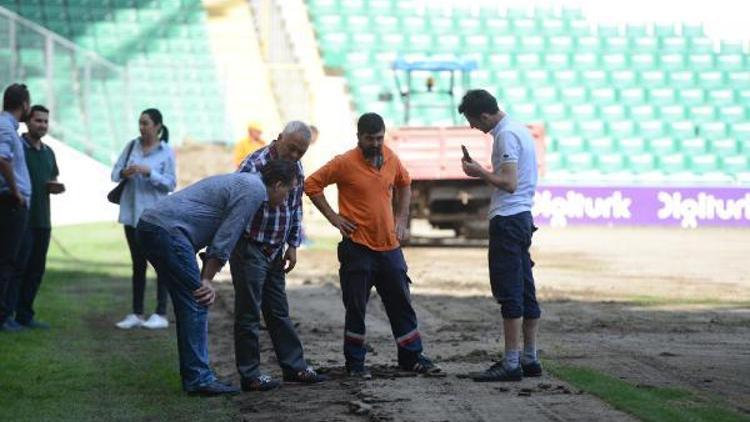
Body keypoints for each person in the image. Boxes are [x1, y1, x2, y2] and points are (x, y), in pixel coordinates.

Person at [136, 159, 299, 396]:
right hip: (167, 231)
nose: (287, 199)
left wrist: (205, 276)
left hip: (154, 227)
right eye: (288, 191)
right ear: (276, 184)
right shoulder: (254, 191)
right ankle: (199, 379)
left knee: (189, 302)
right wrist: (207, 280)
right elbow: (226, 236)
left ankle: (195, 375)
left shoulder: (247, 183)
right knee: (197, 300)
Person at [304, 112, 440, 379]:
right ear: (359, 138)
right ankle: (355, 364)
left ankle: (411, 357)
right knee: (356, 307)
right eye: (370, 139)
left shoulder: (391, 158)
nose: (376, 144)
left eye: (379, 138)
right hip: (357, 248)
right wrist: (334, 218)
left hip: (390, 248)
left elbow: (405, 183)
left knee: (401, 303)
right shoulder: (344, 162)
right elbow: (311, 184)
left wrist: (402, 218)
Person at [231, 121, 326, 391]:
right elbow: (237, 208)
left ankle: (294, 368)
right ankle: (250, 375)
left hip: (275, 252)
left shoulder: (296, 168)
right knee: (248, 314)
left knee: (278, 312)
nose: (295, 156)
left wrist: (293, 245)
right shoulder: (255, 164)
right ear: (279, 137)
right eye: (292, 148)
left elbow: (295, 208)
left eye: (301, 152)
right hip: (250, 247)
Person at [457, 89, 542, 382]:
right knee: (525, 286)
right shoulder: (519, 129)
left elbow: (508, 183)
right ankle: (529, 357)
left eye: (472, 121)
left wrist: (480, 172)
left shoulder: (505, 135)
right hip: (522, 217)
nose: (473, 127)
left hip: (508, 219)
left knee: (509, 290)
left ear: (483, 115)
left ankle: (510, 362)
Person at [111, 108, 176, 330]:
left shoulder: (167, 152)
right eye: (140, 123)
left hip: (155, 217)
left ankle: (160, 313)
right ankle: (137, 313)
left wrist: (150, 173)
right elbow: (114, 173)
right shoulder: (132, 146)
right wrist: (125, 172)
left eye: (146, 123)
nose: (142, 127)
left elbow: (170, 183)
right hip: (131, 214)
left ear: (157, 126)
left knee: (160, 264)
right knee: (137, 264)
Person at [8, 105, 64, 330]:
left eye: (45, 121)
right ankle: (7, 316)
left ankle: (25, 315)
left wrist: (55, 187)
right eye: (38, 120)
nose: (42, 125)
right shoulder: (17, 148)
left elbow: (51, 178)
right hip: (20, 220)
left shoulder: (49, 152)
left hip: (43, 221)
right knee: (17, 270)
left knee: (36, 271)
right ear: (28, 121)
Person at [0, 83, 32, 333]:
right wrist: (16, 192)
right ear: (24, 105)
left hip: (13, 203)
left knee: (13, 260)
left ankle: (7, 315)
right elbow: (2, 158)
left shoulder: (8, 127)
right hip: (10, 203)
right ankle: (2, 317)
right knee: (7, 261)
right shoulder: (4, 127)